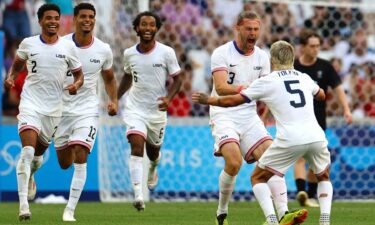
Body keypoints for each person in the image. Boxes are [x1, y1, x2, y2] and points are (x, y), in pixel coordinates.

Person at [193, 40, 333, 225]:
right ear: (293, 59)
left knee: (258, 177)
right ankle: (324, 221)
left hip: (288, 137)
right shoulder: (304, 77)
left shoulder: (267, 81)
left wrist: (209, 100)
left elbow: (232, 101)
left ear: (272, 61)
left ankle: (273, 219)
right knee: (323, 176)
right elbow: (322, 95)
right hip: (316, 135)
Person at [24, 3, 118, 221]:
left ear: (95, 20)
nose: (88, 20)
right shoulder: (62, 45)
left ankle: (70, 210)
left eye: (91, 16)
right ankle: (31, 173)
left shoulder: (103, 49)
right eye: (83, 16)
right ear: (74, 19)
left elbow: (110, 77)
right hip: (59, 110)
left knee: (81, 153)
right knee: (63, 162)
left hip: (87, 110)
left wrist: (113, 100)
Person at [208, 11, 299, 225]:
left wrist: (272, 113)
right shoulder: (221, 53)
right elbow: (220, 88)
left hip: (249, 115)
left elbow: (267, 91)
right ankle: (222, 211)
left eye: (256, 29)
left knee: (273, 160)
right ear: (237, 28)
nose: (253, 33)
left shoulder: (261, 56)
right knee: (234, 162)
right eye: (248, 29)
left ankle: (282, 214)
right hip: (224, 114)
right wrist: (246, 88)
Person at [3, 3, 84, 221]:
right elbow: (18, 64)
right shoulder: (28, 43)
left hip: (54, 109)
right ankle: (23, 206)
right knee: (27, 152)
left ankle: (32, 176)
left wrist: (76, 84)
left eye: (56, 18)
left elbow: (79, 75)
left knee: (37, 156)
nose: (53, 22)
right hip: (30, 104)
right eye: (48, 18)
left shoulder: (68, 48)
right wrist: (11, 77)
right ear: (40, 21)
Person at [117, 11, 182, 211]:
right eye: (143, 24)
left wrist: (169, 99)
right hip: (135, 108)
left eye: (151, 25)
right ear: (137, 28)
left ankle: (153, 167)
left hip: (156, 111)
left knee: (153, 152)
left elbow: (178, 79)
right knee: (136, 146)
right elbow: (127, 76)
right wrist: (115, 98)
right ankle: (137, 194)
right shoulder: (129, 53)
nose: (147, 28)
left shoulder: (166, 52)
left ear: (156, 29)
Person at [293, 29, 352, 207]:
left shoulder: (325, 66)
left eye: (318, 46)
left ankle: (308, 195)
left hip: (318, 121)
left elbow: (338, 88)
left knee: (314, 160)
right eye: (312, 46)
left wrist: (347, 109)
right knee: (300, 158)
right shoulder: (293, 67)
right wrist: (267, 114)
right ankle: (302, 192)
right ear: (302, 47)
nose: (316, 49)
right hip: (295, 120)